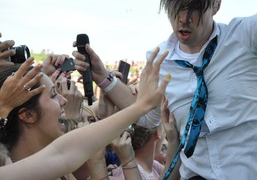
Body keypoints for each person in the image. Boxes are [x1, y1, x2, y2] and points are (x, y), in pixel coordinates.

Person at [73, 0, 257, 179]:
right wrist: (102, 76)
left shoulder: (246, 37)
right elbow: (147, 116)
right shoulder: (158, 59)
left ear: (216, 4)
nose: (183, 19)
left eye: (194, 8)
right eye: (175, 6)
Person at [0, 47, 170, 179]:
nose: (64, 100)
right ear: (27, 115)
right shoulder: (11, 170)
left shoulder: (59, 171)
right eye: (53, 95)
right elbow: (67, 151)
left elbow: (66, 152)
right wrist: (141, 106)